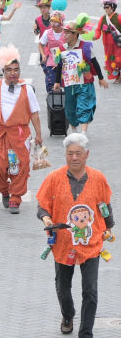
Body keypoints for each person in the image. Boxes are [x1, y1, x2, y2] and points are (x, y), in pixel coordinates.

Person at [36, 133, 114, 338]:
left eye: (78, 153)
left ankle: (86, 332)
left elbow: (105, 206)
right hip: (63, 243)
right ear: (65, 155)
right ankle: (68, 315)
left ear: (86, 154)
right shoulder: (53, 178)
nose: (74, 158)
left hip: (91, 242)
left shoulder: (98, 179)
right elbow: (42, 206)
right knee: (63, 287)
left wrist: (109, 227)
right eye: (70, 154)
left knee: (90, 290)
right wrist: (46, 219)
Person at [0, 45, 42, 214]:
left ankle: (15, 198)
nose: (13, 73)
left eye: (16, 70)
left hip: (19, 135)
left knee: (19, 166)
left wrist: (39, 135)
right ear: (3, 71)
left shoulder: (27, 89)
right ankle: (4, 189)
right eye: (9, 70)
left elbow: (34, 113)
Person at [52, 14, 108, 134]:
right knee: (70, 109)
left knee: (84, 106)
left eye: (68, 33)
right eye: (64, 33)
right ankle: (74, 130)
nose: (65, 36)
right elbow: (59, 66)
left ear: (75, 34)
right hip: (69, 83)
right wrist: (57, 82)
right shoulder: (61, 48)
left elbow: (95, 62)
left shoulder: (85, 47)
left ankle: (83, 133)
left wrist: (101, 78)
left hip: (84, 83)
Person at [93, 0, 121, 83]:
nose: (106, 9)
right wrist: (95, 36)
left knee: (118, 60)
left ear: (113, 7)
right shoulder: (102, 19)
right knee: (110, 61)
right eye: (104, 7)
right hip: (107, 46)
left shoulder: (119, 17)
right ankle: (117, 77)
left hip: (117, 45)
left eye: (107, 7)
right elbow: (98, 30)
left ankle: (119, 77)